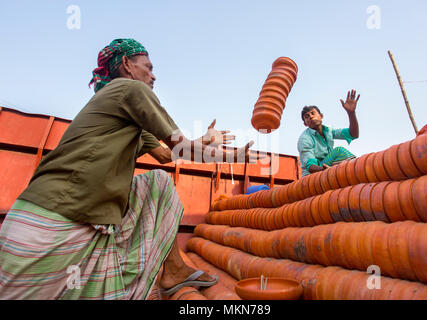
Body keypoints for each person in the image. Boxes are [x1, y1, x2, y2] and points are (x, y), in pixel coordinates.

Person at [0, 38, 258, 299]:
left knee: (158, 183)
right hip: (53, 220)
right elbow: (183, 147)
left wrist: (204, 138)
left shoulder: (124, 108)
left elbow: (166, 155)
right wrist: (235, 155)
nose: (154, 75)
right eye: (148, 67)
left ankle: (174, 271)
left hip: (63, 215)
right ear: (127, 65)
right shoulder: (129, 89)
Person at [297, 90, 360, 176]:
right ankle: (358, 170)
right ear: (305, 123)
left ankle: (358, 169)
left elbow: (353, 134)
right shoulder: (305, 138)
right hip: (312, 175)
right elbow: (310, 165)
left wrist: (351, 113)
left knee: (341, 160)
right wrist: (325, 171)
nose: (311, 117)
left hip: (326, 167)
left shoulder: (328, 130)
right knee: (339, 151)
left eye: (313, 113)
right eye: (307, 117)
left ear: (321, 116)